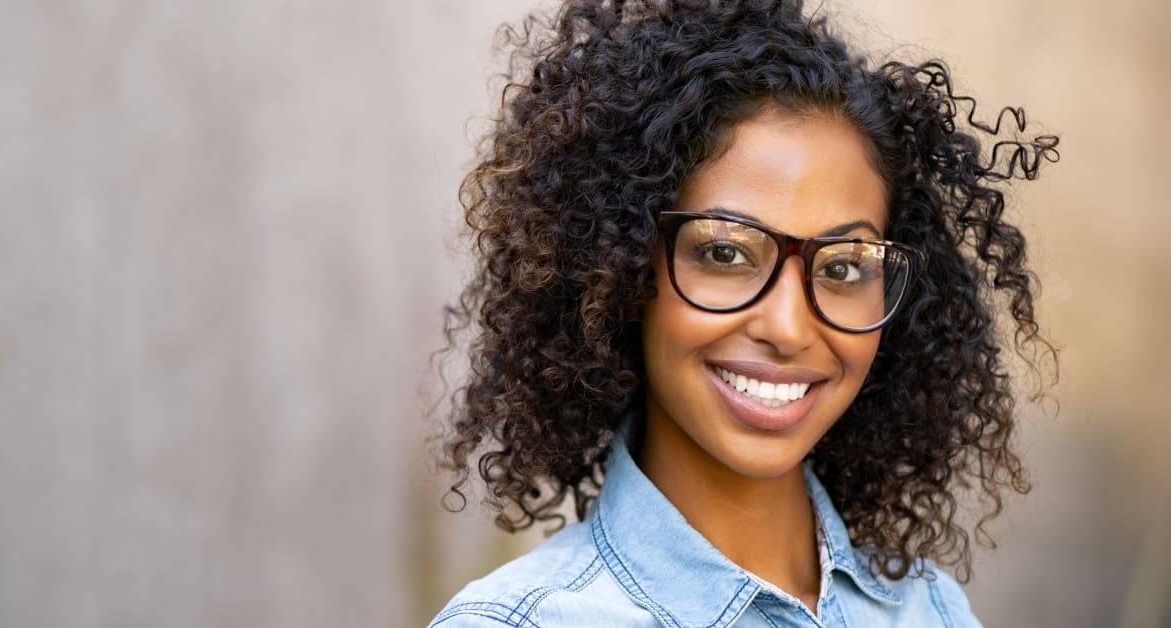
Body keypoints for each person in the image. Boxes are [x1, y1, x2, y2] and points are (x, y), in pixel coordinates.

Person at [431, 0, 1058, 625]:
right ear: (620, 270)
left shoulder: (929, 610)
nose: (787, 328)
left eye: (842, 267)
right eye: (726, 253)